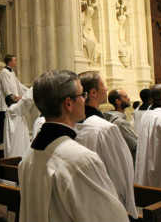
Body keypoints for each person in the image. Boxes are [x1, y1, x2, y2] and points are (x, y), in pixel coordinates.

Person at [19, 70, 129, 222]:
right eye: (82, 95)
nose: (85, 100)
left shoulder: (28, 157)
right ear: (69, 103)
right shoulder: (81, 160)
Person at [76, 71, 137, 218]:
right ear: (93, 93)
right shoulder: (105, 129)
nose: (106, 88)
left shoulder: (74, 124)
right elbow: (121, 174)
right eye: (103, 84)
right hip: (109, 205)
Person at [4, 87, 39, 158]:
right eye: (15, 97)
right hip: (16, 143)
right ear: (11, 101)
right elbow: (26, 101)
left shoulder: (14, 109)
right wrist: (35, 87)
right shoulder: (12, 109)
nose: (18, 97)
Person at [104, 89, 138, 161]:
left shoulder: (111, 118)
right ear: (118, 101)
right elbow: (135, 144)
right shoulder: (120, 122)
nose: (129, 98)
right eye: (125, 97)